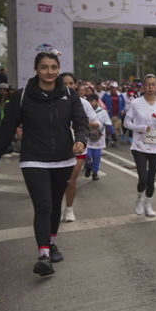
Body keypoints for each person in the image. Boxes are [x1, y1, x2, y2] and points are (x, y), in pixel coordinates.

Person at [0, 51, 88, 276]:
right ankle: (43, 255)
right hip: (34, 159)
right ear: (36, 70)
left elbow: (81, 122)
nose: (49, 71)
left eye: (53, 67)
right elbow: (6, 128)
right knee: (43, 205)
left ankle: (51, 243)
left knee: (54, 202)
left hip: (63, 159)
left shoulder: (70, 95)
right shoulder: (22, 96)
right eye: (44, 67)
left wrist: (80, 140)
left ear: (58, 69)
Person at [123, 74, 156, 217]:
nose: (150, 87)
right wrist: (141, 128)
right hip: (139, 145)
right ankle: (139, 199)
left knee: (151, 177)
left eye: (153, 84)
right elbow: (126, 123)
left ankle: (148, 204)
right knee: (143, 177)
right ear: (143, 86)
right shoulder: (136, 103)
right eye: (147, 84)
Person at [62, 74, 99, 222]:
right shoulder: (52, 102)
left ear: (76, 85)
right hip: (58, 147)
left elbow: (96, 123)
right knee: (58, 182)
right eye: (64, 83)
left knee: (70, 180)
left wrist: (80, 123)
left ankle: (69, 209)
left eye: (71, 83)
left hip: (78, 146)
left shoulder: (83, 103)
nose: (68, 86)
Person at [84, 93, 112, 181]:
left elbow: (108, 124)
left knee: (96, 157)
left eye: (92, 101)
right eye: (89, 101)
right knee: (87, 155)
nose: (91, 103)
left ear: (97, 102)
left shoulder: (103, 112)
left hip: (99, 138)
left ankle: (95, 173)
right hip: (87, 138)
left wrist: (112, 135)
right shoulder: (84, 110)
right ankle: (88, 166)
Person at [101, 82, 125, 147]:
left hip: (118, 115)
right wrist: (105, 109)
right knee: (108, 129)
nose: (113, 89)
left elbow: (123, 104)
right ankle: (105, 141)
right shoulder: (106, 95)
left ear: (116, 88)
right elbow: (101, 103)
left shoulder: (120, 95)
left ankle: (113, 142)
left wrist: (123, 110)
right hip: (109, 115)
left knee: (115, 129)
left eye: (114, 88)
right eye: (112, 87)